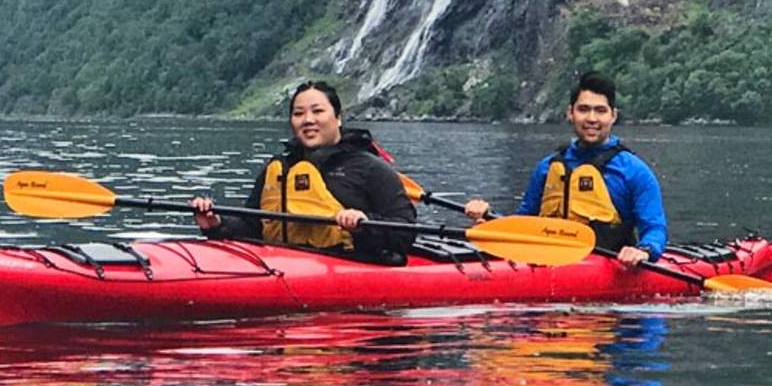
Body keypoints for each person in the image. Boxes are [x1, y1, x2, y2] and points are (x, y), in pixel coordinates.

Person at [190, 80, 417, 262]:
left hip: (350, 265)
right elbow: (254, 225)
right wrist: (216, 223)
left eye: (317, 111)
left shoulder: (371, 168)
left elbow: (405, 232)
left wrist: (364, 223)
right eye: (298, 114)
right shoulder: (280, 167)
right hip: (281, 263)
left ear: (338, 118)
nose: (308, 120)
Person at [463, 72, 668, 266]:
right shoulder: (547, 168)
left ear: (613, 116)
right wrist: (489, 217)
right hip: (549, 263)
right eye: (583, 109)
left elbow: (655, 228)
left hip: (606, 267)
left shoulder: (634, 172)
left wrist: (644, 250)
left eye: (600, 111)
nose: (591, 119)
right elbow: (523, 223)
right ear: (570, 113)